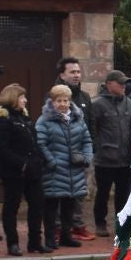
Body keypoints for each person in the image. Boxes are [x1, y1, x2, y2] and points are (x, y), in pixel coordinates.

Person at [0, 82, 48, 256]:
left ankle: (35, 242)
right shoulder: (2, 120)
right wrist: (21, 164)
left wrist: (39, 160)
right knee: (11, 207)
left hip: (33, 171)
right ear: (13, 98)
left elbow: (33, 143)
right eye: (22, 97)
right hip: (13, 172)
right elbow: (1, 149)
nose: (26, 101)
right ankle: (12, 243)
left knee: (37, 205)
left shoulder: (25, 118)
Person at [37, 83, 93, 250]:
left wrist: (87, 157)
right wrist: (52, 162)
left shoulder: (78, 119)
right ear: (52, 102)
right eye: (59, 100)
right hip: (54, 170)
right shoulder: (44, 121)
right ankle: (49, 238)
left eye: (65, 100)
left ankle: (66, 236)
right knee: (51, 208)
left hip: (74, 169)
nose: (62, 104)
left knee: (69, 206)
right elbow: (40, 144)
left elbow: (87, 141)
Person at [87, 70, 131, 237]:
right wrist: (97, 148)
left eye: (125, 83)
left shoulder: (129, 103)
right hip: (105, 158)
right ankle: (100, 224)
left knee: (122, 195)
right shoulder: (97, 104)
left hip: (124, 158)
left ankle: (121, 223)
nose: (124, 86)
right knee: (102, 193)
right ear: (109, 84)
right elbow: (92, 129)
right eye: (120, 83)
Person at [54, 57, 95, 242]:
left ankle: (77, 225)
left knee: (80, 191)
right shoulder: (54, 96)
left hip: (82, 153)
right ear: (62, 74)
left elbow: (91, 124)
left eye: (78, 71)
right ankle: (57, 227)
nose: (77, 75)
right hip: (61, 153)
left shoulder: (85, 97)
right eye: (72, 72)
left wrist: (89, 148)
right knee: (59, 190)